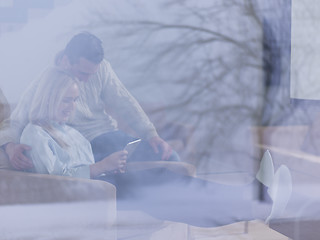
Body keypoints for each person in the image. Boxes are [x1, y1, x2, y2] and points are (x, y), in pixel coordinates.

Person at [20, 68, 291, 227]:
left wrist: (112, 163)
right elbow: (55, 180)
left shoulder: (69, 131)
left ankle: (252, 197)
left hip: (104, 184)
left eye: (75, 100)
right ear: (48, 98)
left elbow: (88, 165)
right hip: (91, 195)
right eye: (66, 101)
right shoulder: (35, 134)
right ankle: (256, 204)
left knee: (165, 179)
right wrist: (101, 167)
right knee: (161, 188)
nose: (73, 107)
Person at [0, 32, 176, 171]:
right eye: (83, 74)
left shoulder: (102, 69)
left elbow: (125, 103)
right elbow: (15, 121)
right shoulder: (46, 82)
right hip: (82, 146)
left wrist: (151, 135)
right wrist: (9, 147)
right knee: (143, 172)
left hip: (108, 134)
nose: (86, 80)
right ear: (65, 61)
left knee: (168, 155)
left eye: (92, 74)